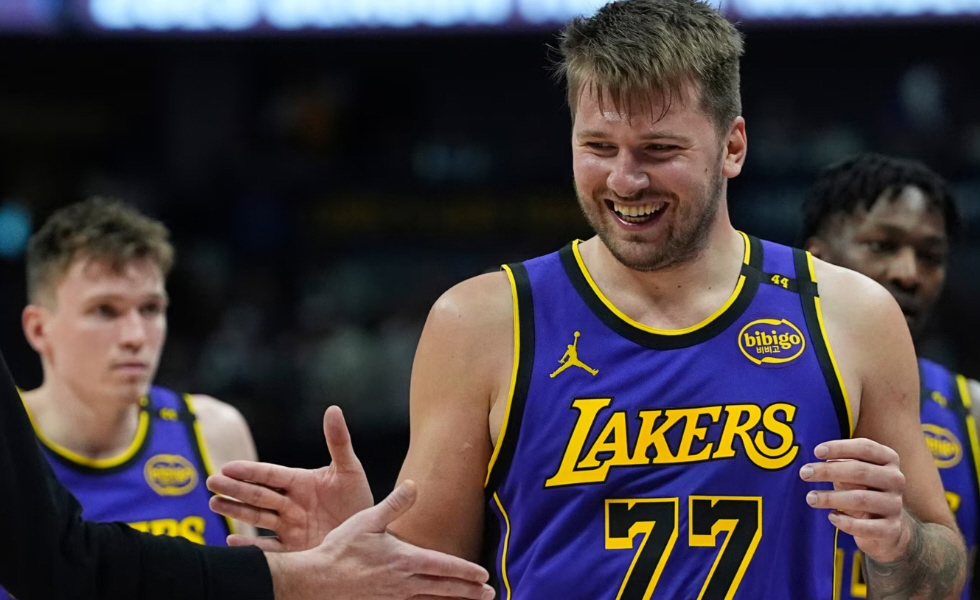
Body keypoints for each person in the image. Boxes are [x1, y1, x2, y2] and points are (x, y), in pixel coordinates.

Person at [208, 1, 966, 598]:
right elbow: (431, 585)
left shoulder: (850, 314)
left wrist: (899, 545)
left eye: (659, 151)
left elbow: (942, 573)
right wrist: (349, 563)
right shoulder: (483, 322)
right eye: (598, 148)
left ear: (733, 146)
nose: (625, 180)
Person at [0, 343, 495, 600]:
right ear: (38, 327)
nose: (134, 335)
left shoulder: (210, 427)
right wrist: (308, 577)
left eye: (150, 308)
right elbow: (63, 565)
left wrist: (330, 574)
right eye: (104, 311)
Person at [800, 153, 979, 600]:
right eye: (882, 245)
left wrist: (906, 544)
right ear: (817, 258)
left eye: (931, 256)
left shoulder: (972, 411)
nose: (908, 273)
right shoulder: (742, 389)